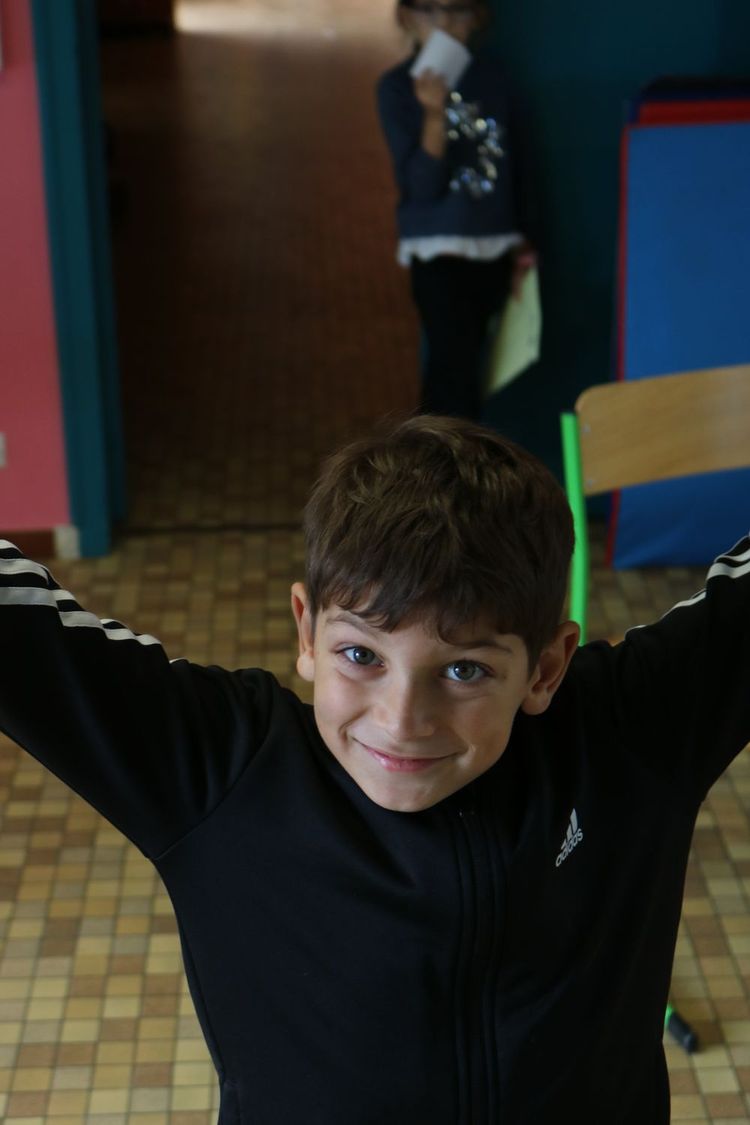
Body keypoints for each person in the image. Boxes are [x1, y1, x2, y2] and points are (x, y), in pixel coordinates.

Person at [1, 413, 749, 1124]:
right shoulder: (223, 774)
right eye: (361, 654)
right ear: (307, 631)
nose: (401, 720)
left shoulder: (627, 736)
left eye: (464, 670)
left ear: (546, 668)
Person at [377, 1, 537, 420]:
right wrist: (434, 115)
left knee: (475, 371)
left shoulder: (496, 79)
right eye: (429, 10)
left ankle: (454, 454)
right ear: (407, 17)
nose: (444, 23)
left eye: (458, 10)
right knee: (450, 374)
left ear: (478, 17)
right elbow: (421, 187)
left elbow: (519, 166)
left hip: (495, 246)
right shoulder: (396, 88)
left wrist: (523, 241)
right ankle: (440, 458)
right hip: (438, 251)